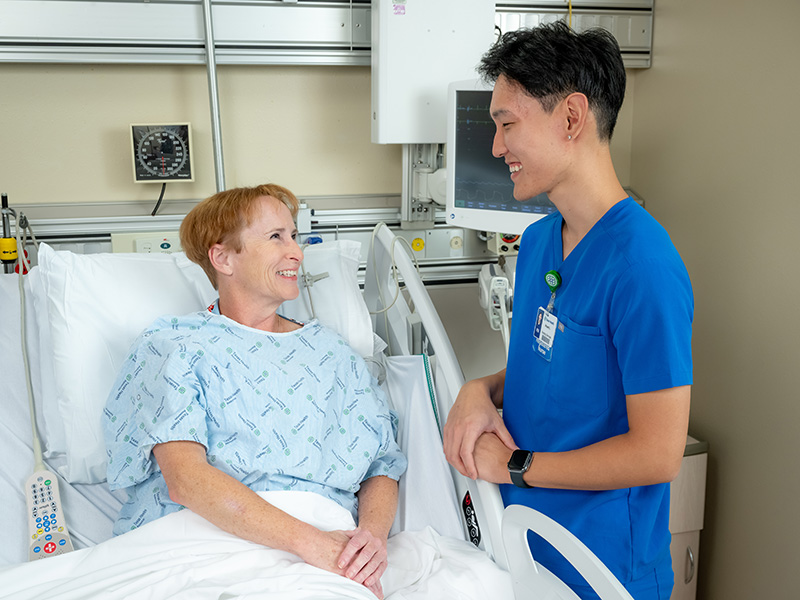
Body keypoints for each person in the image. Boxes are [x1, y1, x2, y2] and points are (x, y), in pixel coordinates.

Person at [443, 22, 693, 600]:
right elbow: (556, 366)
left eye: (507, 124)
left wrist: (514, 466)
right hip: (524, 541)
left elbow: (657, 454)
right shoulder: (537, 243)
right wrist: (481, 390)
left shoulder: (642, 268)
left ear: (572, 118)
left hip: (599, 566)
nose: (497, 146)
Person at [103, 184, 407, 599]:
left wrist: (369, 541)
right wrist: (312, 544)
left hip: (324, 545)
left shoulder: (332, 354)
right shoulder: (176, 346)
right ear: (223, 257)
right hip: (203, 542)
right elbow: (186, 482)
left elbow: (381, 467)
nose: (296, 253)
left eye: (295, 235)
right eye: (275, 237)